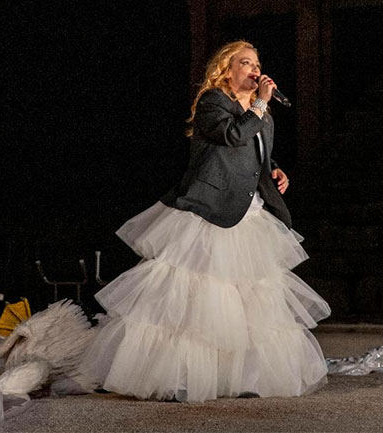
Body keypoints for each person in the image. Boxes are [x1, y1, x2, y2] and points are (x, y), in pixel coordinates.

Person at [79, 40, 331, 403]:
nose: (255, 69)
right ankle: (177, 375)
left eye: (257, 63)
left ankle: (242, 377)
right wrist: (259, 104)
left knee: (248, 297)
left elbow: (256, 154)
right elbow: (232, 135)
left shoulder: (262, 113)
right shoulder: (214, 102)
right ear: (227, 70)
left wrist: (275, 170)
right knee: (197, 291)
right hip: (210, 208)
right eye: (246, 63)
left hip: (249, 211)